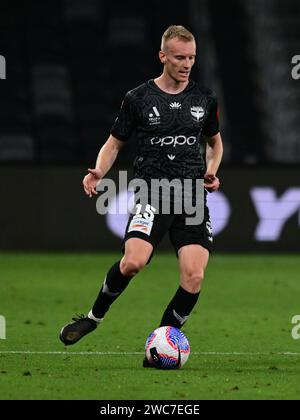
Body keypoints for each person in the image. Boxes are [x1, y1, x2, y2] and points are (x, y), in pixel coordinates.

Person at [59, 25, 223, 367]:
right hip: (153, 193)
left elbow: (214, 142)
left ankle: (163, 344)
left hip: (191, 196)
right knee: (132, 262)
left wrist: (212, 168)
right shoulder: (138, 98)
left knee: (194, 275)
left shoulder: (205, 98)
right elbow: (114, 142)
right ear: (163, 56)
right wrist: (99, 171)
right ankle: (93, 317)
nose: (187, 63)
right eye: (179, 57)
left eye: (192, 57)